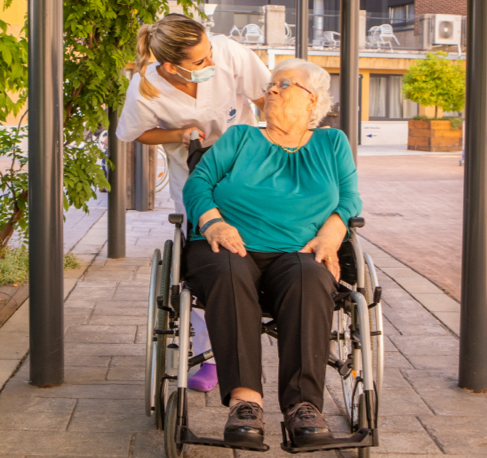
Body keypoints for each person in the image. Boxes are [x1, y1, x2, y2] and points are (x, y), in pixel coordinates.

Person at [182, 58, 362, 448]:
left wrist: (333, 231)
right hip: (228, 244)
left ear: (312, 100)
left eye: (285, 84)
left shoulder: (333, 143)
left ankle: (303, 408)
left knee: (311, 276)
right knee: (228, 271)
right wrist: (213, 222)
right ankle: (246, 404)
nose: (272, 90)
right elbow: (198, 183)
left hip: (299, 250)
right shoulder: (240, 137)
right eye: (271, 84)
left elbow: (349, 198)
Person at [116, 14, 271, 392]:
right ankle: (210, 355)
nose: (212, 64)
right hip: (194, 175)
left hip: (248, 170)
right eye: (200, 62)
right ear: (171, 66)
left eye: (210, 52)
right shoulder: (145, 87)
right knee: (207, 262)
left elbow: (267, 97)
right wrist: (178, 133)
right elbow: (137, 133)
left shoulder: (229, 53)